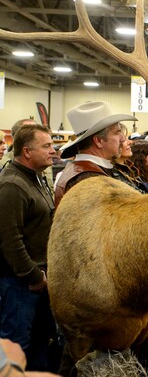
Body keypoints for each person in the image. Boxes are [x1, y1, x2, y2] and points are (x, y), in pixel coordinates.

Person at [0, 125, 56, 371]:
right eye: (46, 146)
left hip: (36, 283)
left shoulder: (36, 179)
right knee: (16, 349)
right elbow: (9, 239)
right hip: (19, 284)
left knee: (37, 346)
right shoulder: (12, 184)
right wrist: (32, 276)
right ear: (26, 151)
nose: (53, 151)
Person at [53, 101, 138, 206]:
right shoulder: (90, 179)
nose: (123, 139)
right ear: (98, 141)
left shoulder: (81, 171)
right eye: (117, 133)